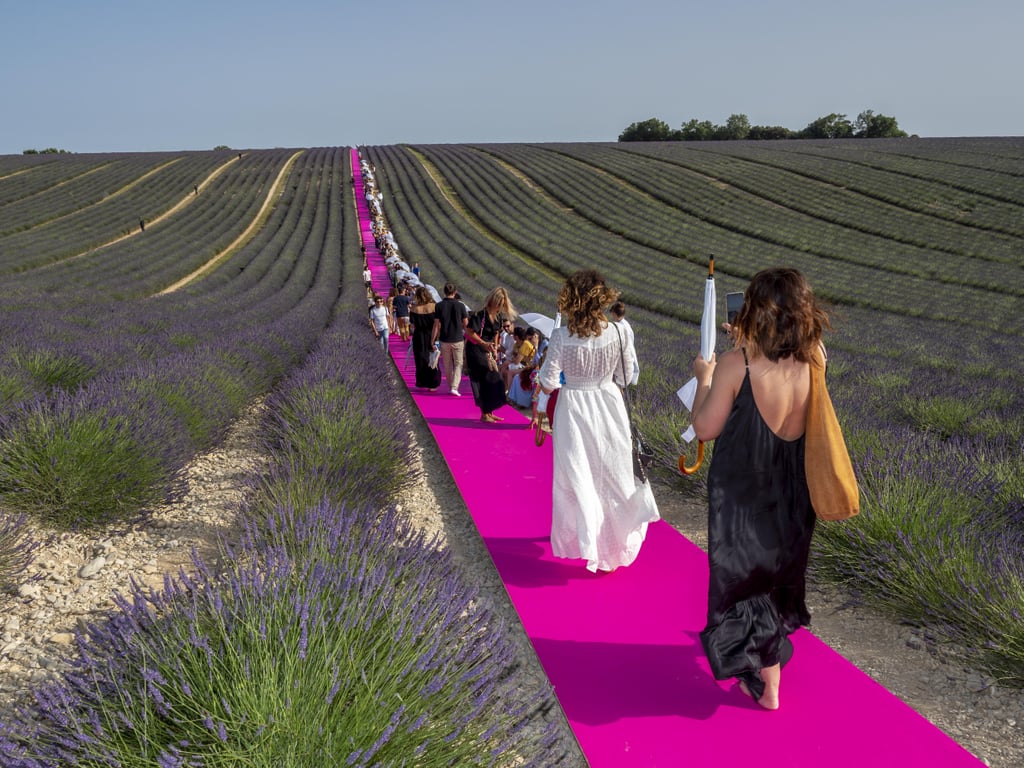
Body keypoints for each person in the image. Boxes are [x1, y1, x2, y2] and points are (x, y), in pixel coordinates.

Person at [689, 267, 829, 711]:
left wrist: (704, 377)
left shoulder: (737, 364)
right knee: (777, 578)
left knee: (741, 584)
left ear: (753, 310)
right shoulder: (815, 359)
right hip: (794, 492)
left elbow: (704, 428)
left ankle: (768, 685)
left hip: (743, 495)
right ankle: (769, 667)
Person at [538, 270, 660, 572]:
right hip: (608, 406)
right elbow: (626, 377)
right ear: (602, 298)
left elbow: (548, 381)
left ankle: (590, 543)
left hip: (574, 410)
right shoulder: (617, 332)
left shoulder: (561, 336)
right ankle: (612, 549)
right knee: (614, 476)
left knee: (579, 477)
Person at [465, 287, 517, 423]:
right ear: (493, 301)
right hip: (476, 349)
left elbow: (496, 333)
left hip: (488, 350)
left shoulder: (498, 316)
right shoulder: (480, 314)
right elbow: (469, 333)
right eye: (499, 303)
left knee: (494, 380)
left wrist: (494, 347)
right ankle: (485, 413)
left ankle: (488, 411)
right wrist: (483, 343)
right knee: (485, 379)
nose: (500, 307)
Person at [431, 282, 469, 396]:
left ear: (444, 291)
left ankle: (450, 386)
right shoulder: (461, 306)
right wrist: (468, 337)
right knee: (458, 363)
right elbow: (466, 324)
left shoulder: (439, 306)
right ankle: (454, 386)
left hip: (444, 338)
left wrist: (432, 340)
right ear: (455, 292)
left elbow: (436, 325)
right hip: (457, 338)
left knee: (447, 364)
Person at [410, 286, 442, 390]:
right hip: (431, 334)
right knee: (433, 359)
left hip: (418, 336)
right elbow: (439, 324)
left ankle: (423, 381)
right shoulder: (434, 307)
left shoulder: (414, 308)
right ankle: (433, 383)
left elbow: (412, 325)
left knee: (420, 359)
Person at [609, 301, 640, 385]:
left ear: (614, 314)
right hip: (628, 359)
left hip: (623, 361)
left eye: (612, 314)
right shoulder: (626, 324)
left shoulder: (619, 327)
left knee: (618, 386)